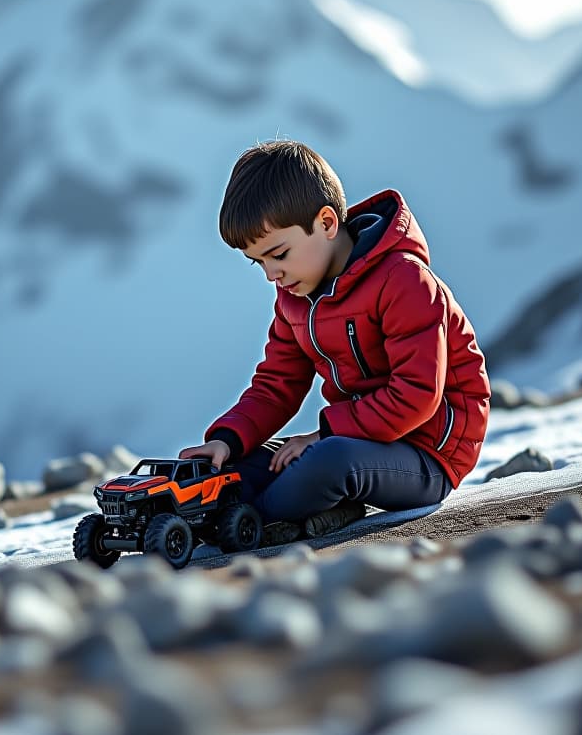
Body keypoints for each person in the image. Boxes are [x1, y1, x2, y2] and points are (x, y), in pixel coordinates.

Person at [180, 140, 490, 543]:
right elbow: (276, 385)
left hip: (429, 454)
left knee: (328, 461)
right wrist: (226, 440)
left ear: (326, 223)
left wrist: (323, 434)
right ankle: (234, 513)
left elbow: (417, 395)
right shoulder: (295, 299)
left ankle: (242, 525)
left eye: (279, 254)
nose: (272, 274)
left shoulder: (405, 281)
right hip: (358, 437)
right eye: (259, 263)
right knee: (246, 466)